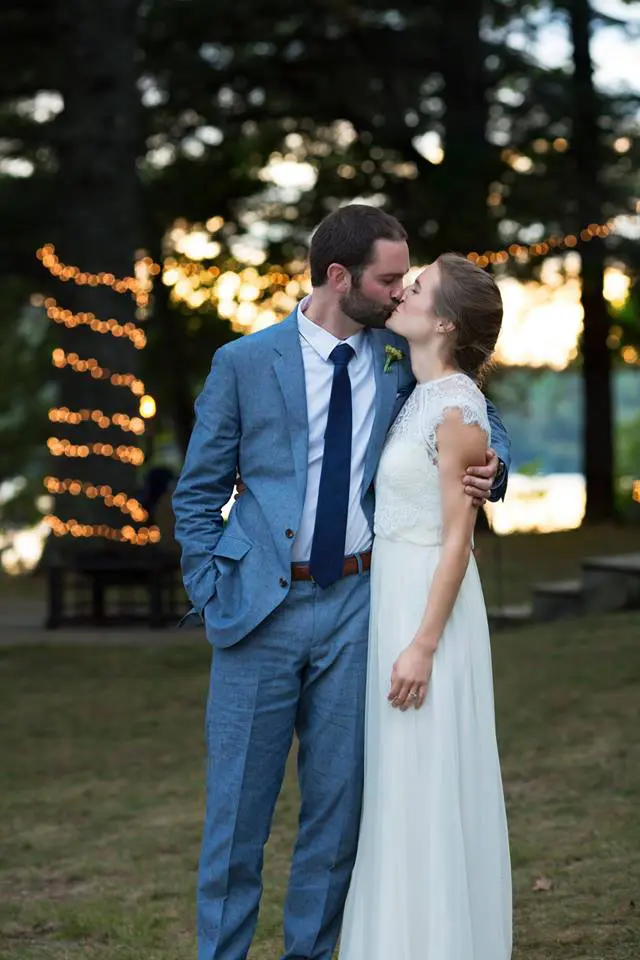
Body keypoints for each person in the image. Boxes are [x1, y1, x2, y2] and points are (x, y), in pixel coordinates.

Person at [172, 205, 511, 960]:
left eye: (406, 283)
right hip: (259, 611)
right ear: (339, 276)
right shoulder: (244, 363)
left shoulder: (398, 358)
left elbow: (467, 402)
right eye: (390, 279)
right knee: (236, 822)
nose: (400, 294)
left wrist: (499, 465)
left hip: (362, 610)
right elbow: (196, 494)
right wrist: (211, 583)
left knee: (337, 818)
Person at [339, 254, 512, 960]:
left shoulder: (457, 409)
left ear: (444, 320)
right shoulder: (418, 388)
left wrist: (423, 644)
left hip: (427, 613)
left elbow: (457, 544)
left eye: (417, 287)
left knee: (430, 785)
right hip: (395, 600)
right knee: (400, 790)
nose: (402, 290)